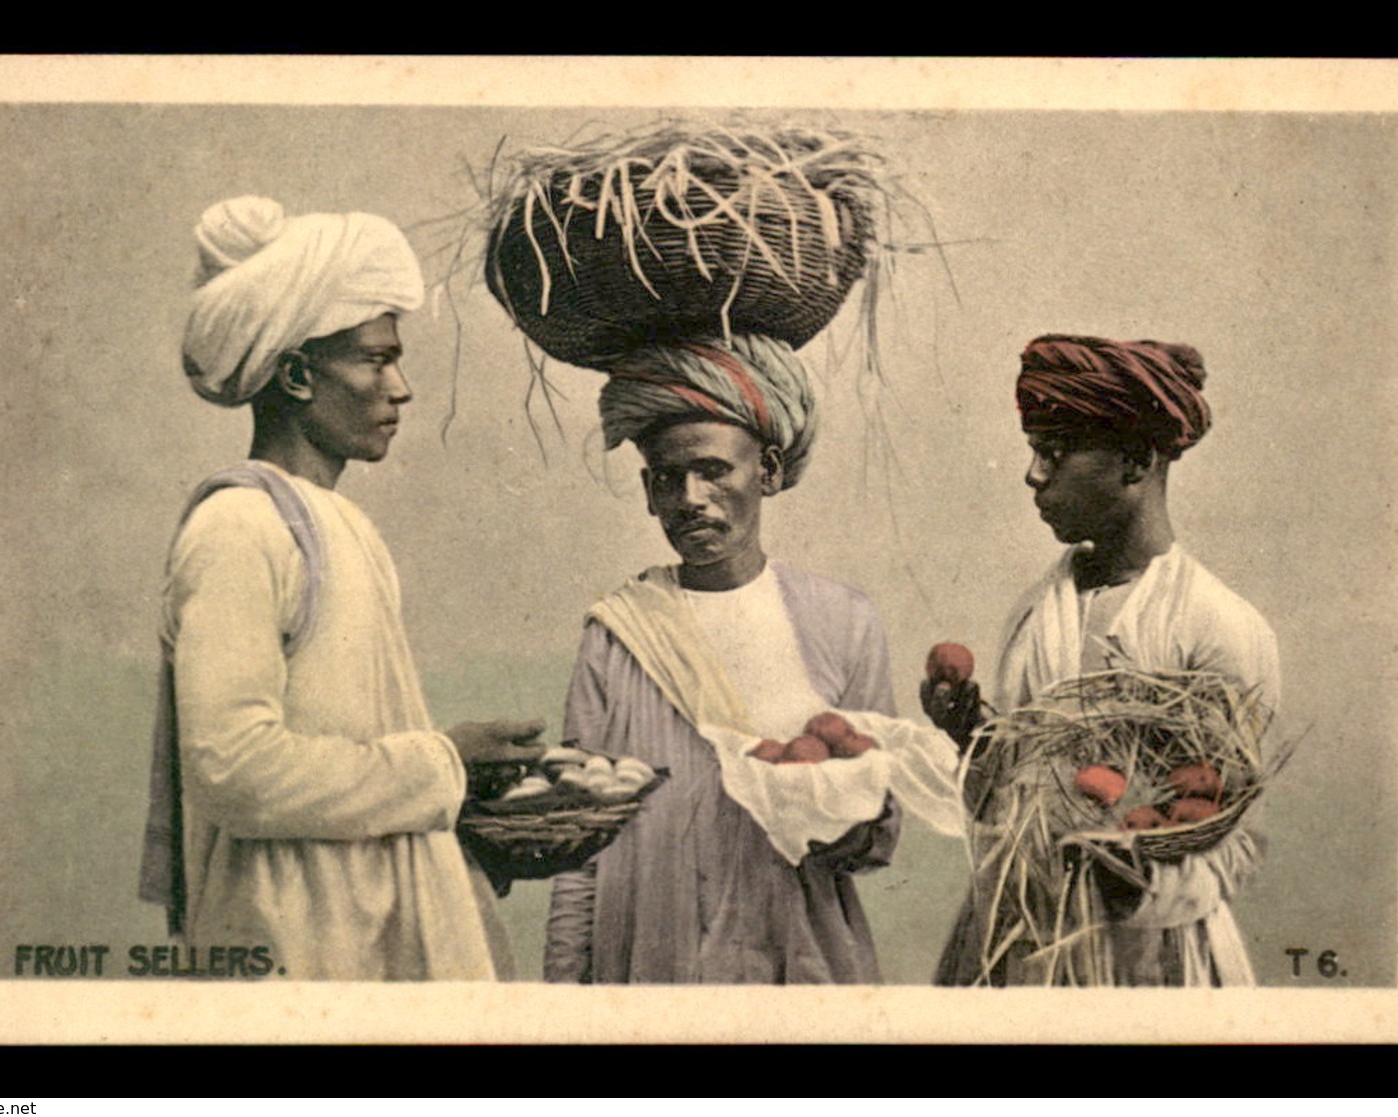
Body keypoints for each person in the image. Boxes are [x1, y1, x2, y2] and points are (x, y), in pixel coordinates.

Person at [138, 195, 544, 981]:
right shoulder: (237, 528)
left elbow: (358, 740)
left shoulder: (343, 526)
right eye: (374, 357)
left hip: (369, 929)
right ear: (293, 373)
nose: (401, 387)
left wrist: (464, 797)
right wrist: (444, 762)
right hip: (292, 943)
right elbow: (234, 771)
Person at [542, 333, 900, 984]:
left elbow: (876, 831)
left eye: (713, 469)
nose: (690, 498)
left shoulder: (842, 621)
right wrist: (563, 998)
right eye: (667, 479)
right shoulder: (617, 632)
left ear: (766, 470)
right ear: (648, 492)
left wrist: (842, 811)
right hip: (650, 959)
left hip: (797, 961)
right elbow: (582, 843)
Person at [929, 333, 1282, 987]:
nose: (1033, 473)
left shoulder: (1217, 625)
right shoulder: (1038, 610)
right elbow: (1012, 796)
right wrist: (973, 737)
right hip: (1018, 935)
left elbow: (1235, 839)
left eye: (1054, 451)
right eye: (1034, 450)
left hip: (1145, 960)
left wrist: (1135, 880)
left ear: (1134, 460)